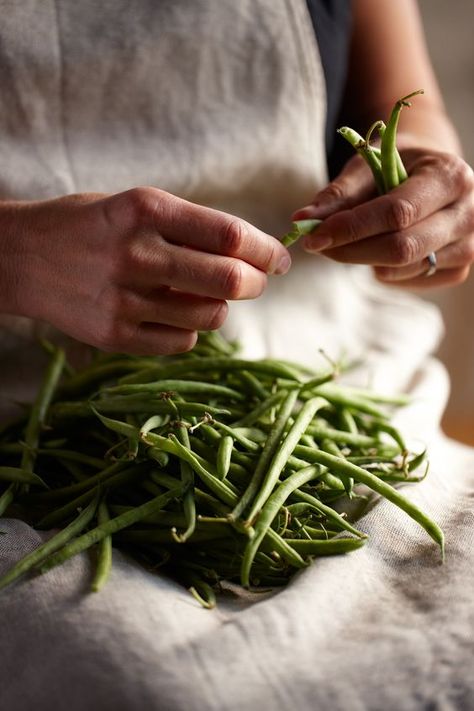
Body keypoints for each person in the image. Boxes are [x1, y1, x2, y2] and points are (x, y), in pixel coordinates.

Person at [0, 2, 473, 710]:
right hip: (35, 417)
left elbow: (403, 108)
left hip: (330, 375)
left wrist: (428, 193)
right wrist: (18, 256)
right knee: (153, 690)